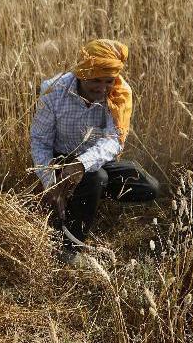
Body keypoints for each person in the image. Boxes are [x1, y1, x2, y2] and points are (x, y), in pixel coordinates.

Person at [30, 39, 160, 263]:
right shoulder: (53, 90)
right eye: (95, 80)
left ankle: (83, 197)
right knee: (97, 178)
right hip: (62, 161)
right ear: (81, 75)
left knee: (148, 186)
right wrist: (50, 182)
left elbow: (113, 140)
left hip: (96, 159)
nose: (102, 88)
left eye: (108, 80)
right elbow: (40, 141)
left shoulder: (119, 93)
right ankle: (69, 248)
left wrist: (82, 164)